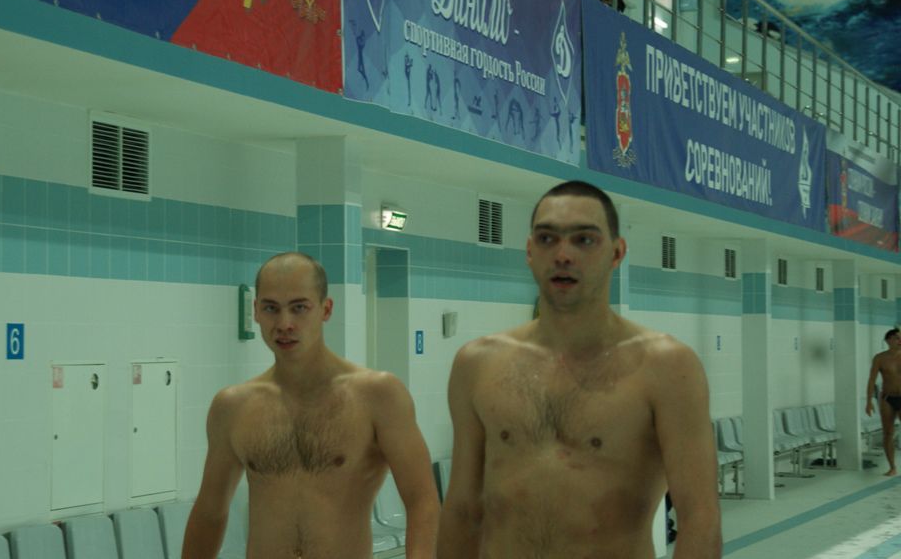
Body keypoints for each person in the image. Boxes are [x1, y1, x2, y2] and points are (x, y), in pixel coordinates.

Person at [438, 181, 721, 558]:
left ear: (617, 252)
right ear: (529, 251)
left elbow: (699, 518)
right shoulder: (477, 364)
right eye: (547, 239)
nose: (563, 255)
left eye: (584, 240)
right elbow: (462, 510)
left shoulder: (666, 367)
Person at [183, 252, 439, 559]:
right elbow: (210, 512)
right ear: (256, 311)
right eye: (271, 308)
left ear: (325, 309)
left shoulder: (377, 395)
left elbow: (422, 501)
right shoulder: (233, 407)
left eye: (299, 308)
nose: (284, 324)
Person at [865, 328, 901, 476]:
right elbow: (872, 380)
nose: (900, 340)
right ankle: (892, 467)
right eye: (897, 338)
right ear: (888, 340)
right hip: (887, 398)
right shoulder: (880, 358)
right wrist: (868, 401)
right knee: (888, 433)